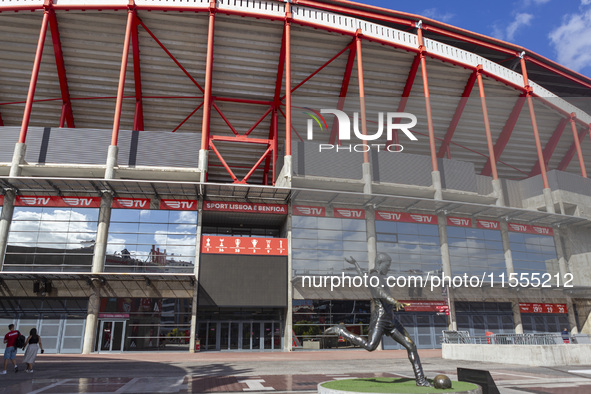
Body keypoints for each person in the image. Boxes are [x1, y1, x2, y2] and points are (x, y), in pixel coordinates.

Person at [324, 253, 432, 387]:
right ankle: (341, 331)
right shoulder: (374, 277)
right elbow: (381, 293)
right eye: (388, 265)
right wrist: (395, 301)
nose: (389, 268)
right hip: (380, 318)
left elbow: (363, 276)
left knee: (411, 346)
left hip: (391, 320)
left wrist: (355, 264)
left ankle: (420, 380)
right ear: (381, 264)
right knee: (370, 346)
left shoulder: (376, 277)